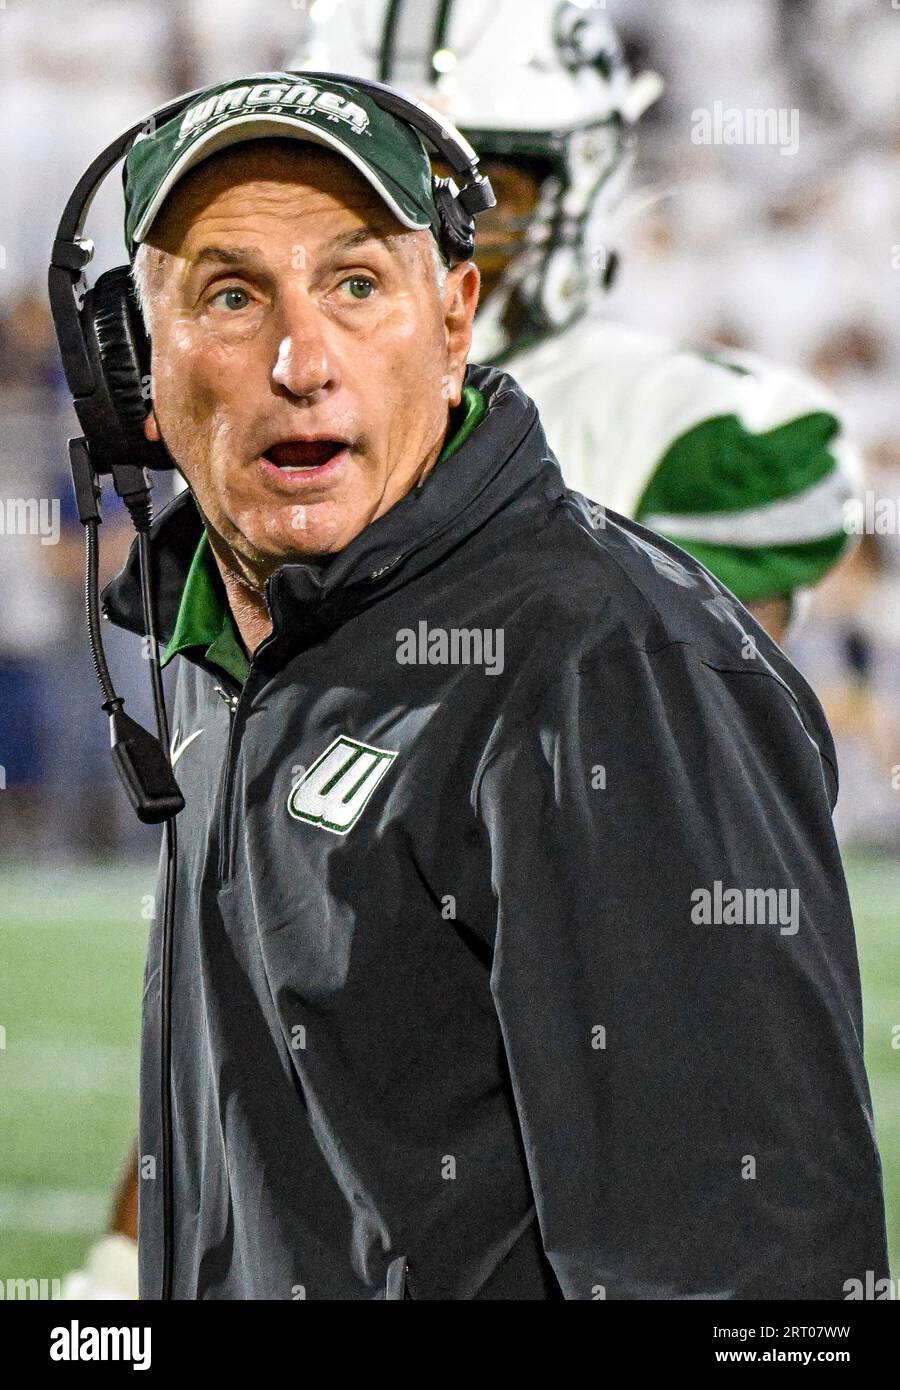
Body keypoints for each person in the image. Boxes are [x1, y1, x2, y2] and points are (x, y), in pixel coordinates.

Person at [72, 68, 889, 1300]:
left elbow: (757, 1291)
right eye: (230, 294)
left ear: (456, 321)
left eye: (357, 285)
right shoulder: (223, 636)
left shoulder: (614, 666)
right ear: (134, 365)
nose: (302, 359)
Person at [290, 0, 862, 648]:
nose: (429, 231)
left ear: (578, 187)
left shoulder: (661, 425)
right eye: (382, 180)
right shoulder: (257, 389)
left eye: (486, 189)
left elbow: (692, 719)